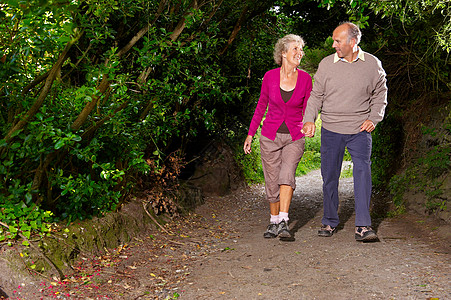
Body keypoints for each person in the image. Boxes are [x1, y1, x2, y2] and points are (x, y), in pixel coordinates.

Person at [302, 22, 388, 242]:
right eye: (334, 40)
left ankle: (363, 226)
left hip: (359, 130)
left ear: (353, 41)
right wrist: (309, 120)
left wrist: (374, 117)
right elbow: (316, 96)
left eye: (337, 41)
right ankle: (330, 221)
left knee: (362, 175)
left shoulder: (372, 64)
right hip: (331, 129)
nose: (334, 45)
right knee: (329, 177)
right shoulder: (326, 64)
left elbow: (381, 92)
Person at [244, 34, 312, 239]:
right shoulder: (269, 77)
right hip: (270, 136)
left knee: (286, 176)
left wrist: (310, 122)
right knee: (272, 181)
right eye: (295, 49)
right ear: (283, 53)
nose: (299, 53)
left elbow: (310, 107)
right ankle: (273, 222)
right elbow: (260, 106)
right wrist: (250, 134)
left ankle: (283, 220)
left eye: (301, 49)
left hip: (294, 136)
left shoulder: (306, 78)